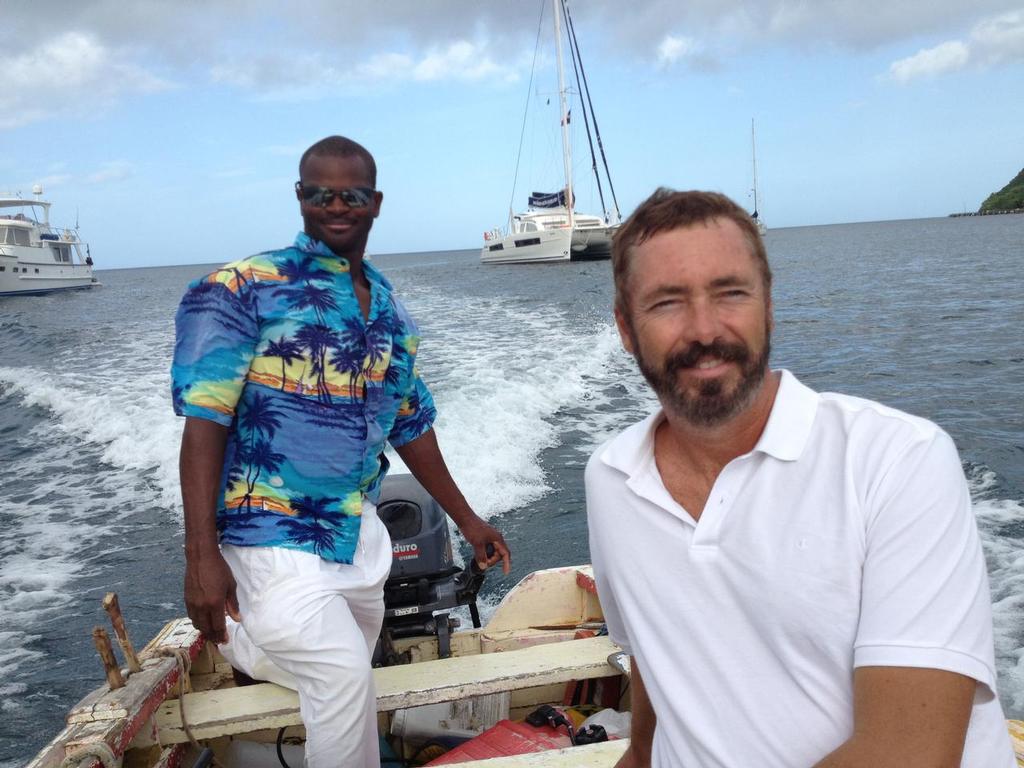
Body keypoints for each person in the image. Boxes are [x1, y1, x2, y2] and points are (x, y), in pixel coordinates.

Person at [586, 188, 1014, 767]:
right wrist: (639, 755)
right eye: (667, 302)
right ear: (626, 328)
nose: (705, 329)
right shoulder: (612, 478)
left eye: (730, 293)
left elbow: (907, 753)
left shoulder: (896, 461)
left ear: (769, 307)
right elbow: (655, 651)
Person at [171, 135, 510, 768]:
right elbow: (204, 422)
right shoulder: (243, 288)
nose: (336, 205)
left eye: (351, 194)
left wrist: (467, 521)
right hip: (269, 531)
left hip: (359, 536)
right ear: (299, 197)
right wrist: (200, 558)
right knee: (343, 677)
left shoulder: (390, 315)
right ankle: (260, 630)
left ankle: (247, 644)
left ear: (375, 203)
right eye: (319, 192)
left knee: (352, 662)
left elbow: (411, 425)